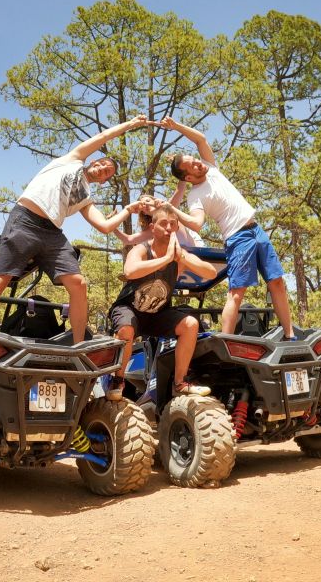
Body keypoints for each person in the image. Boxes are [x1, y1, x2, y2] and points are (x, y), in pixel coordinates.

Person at [0, 116, 147, 343]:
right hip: (25, 220)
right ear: (94, 161)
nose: (104, 169)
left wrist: (129, 209)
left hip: (52, 233)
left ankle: (78, 345)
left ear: (104, 181)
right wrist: (131, 125)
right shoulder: (72, 160)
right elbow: (105, 136)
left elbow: (105, 226)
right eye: (103, 164)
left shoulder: (86, 199)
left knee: (78, 283)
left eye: (108, 172)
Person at [156, 116, 297, 338]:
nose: (197, 162)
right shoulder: (196, 196)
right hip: (238, 237)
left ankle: (290, 334)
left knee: (277, 282)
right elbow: (196, 223)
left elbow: (200, 139)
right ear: (189, 177)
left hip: (256, 229)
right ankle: (226, 341)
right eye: (192, 165)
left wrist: (176, 127)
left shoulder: (211, 168)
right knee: (237, 293)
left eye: (195, 159)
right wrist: (172, 210)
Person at [107, 203, 217, 401]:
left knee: (190, 324)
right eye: (163, 223)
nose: (168, 228)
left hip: (158, 314)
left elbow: (211, 272)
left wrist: (180, 256)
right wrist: (165, 259)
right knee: (126, 330)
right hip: (129, 310)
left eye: (172, 224)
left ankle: (180, 383)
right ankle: (118, 380)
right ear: (152, 228)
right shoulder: (141, 249)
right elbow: (130, 271)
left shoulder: (179, 256)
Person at [113, 188, 204, 249]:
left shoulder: (169, 208)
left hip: (197, 250)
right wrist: (113, 226)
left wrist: (178, 164)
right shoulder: (153, 229)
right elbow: (128, 240)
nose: (145, 204)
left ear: (155, 201)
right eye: (142, 204)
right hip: (180, 258)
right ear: (144, 213)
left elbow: (180, 189)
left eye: (148, 201)